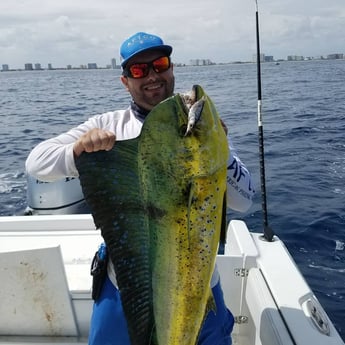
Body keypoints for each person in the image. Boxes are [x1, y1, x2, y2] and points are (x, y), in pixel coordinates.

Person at [26, 32, 255, 345]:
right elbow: (36, 163)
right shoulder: (111, 125)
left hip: (198, 287)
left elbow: (244, 202)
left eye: (159, 64)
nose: (152, 75)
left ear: (171, 68)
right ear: (125, 81)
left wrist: (219, 150)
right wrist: (79, 149)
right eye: (138, 70)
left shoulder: (200, 128)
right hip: (124, 283)